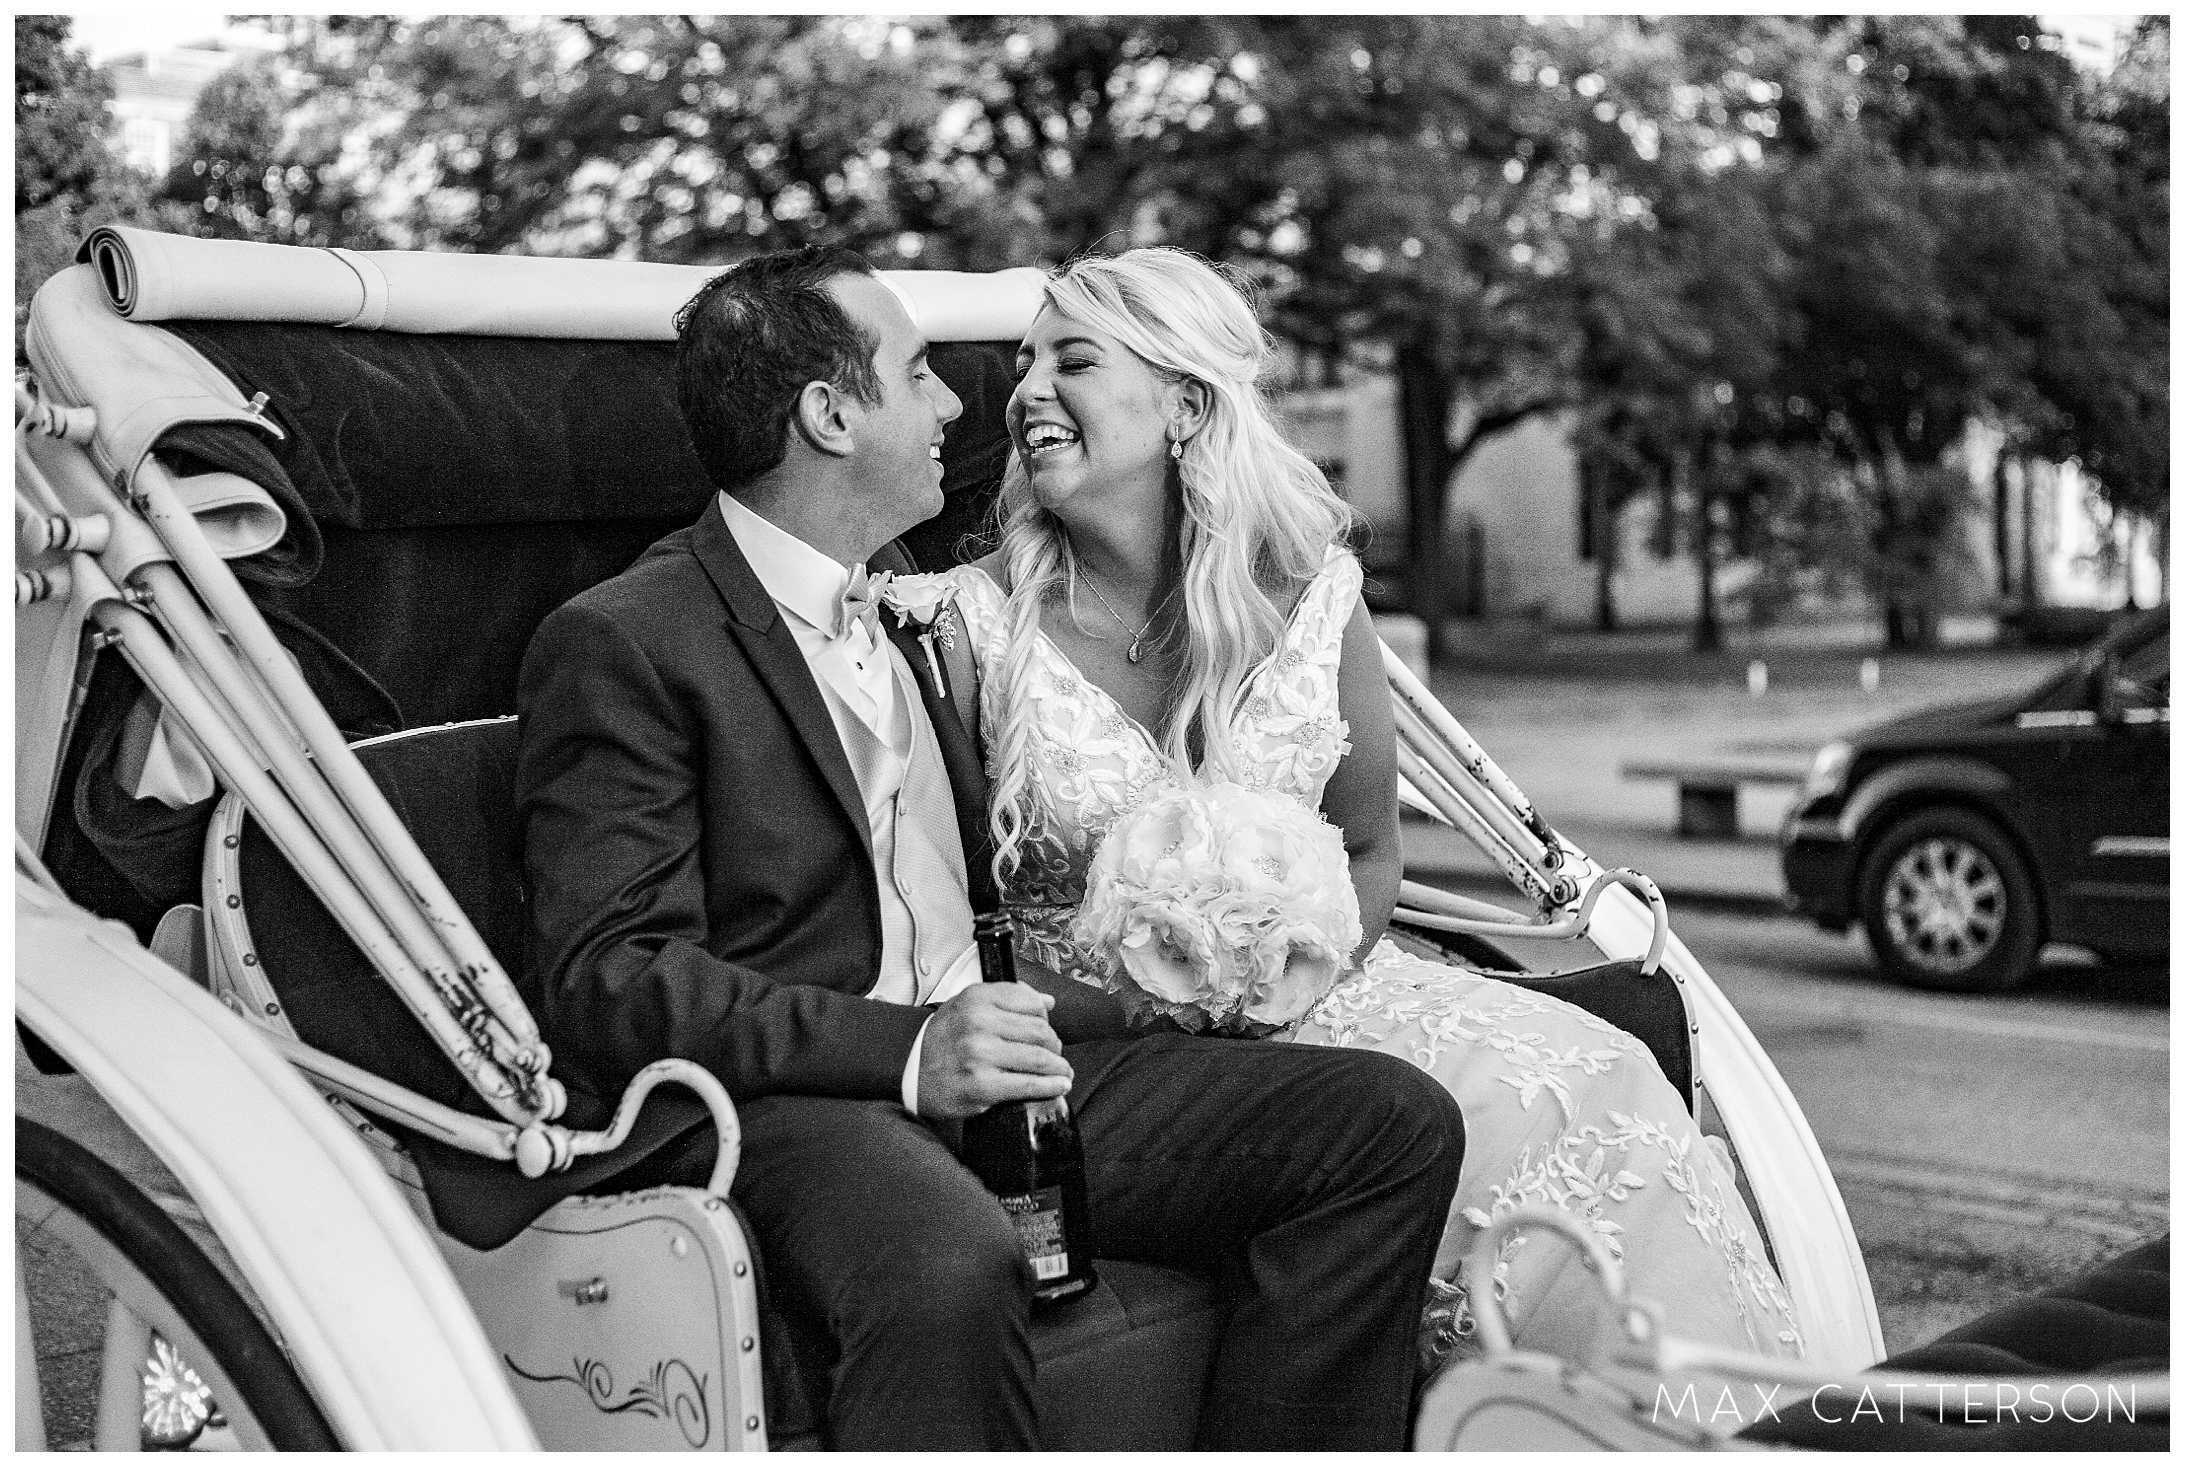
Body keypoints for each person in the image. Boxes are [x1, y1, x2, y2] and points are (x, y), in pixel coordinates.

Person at [513, 244, 1467, 1451]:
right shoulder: (626, 640)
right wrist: (912, 1052)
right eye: (920, 373)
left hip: (1019, 1061)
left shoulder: (915, 614)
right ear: (828, 412)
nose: (962, 407)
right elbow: (611, 978)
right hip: (818, 1089)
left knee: (1388, 1125)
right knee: (951, 1259)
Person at [902, 246, 1807, 1384]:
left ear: (1186, 403)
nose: (1027, 391)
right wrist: (1144, 1003)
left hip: (1325, 994)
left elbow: (1368, 852)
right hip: (1093, 1035)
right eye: (1024, 364)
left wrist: (1288, 966)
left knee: (1595, 1075)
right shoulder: (966, 627)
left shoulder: (1310, 591)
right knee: (1434, 1119)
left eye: (1071, 362)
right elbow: (940, 930)